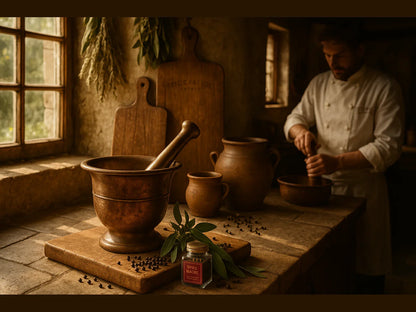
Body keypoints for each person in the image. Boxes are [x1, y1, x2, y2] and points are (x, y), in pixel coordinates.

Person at [283, 22, 404, 294]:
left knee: (365, 276)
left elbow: (389, 146)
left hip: (364, 191)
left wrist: (337, 162)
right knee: (327, 270)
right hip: (323, 191)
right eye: (327, 55)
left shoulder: (384, 87)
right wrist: (299, 131)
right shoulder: (319, 84)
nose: (332, 62)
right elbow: (295, 117)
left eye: (340, 54)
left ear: (360, 50)